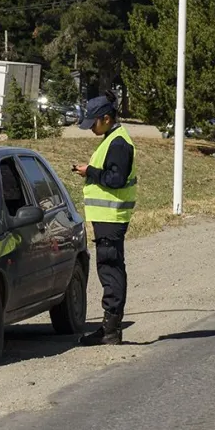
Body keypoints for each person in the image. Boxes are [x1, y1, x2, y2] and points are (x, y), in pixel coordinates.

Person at [73, 91, 137, 346]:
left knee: (110, 270)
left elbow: (116, 179)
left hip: (112, 218)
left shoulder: (119, 143)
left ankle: (111, 330)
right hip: (106, 217)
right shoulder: (112, 139)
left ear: (107, 118)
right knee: (109, 269)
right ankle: (109, 328)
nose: (91, 129)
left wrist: (90, 171)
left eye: (93, 123)